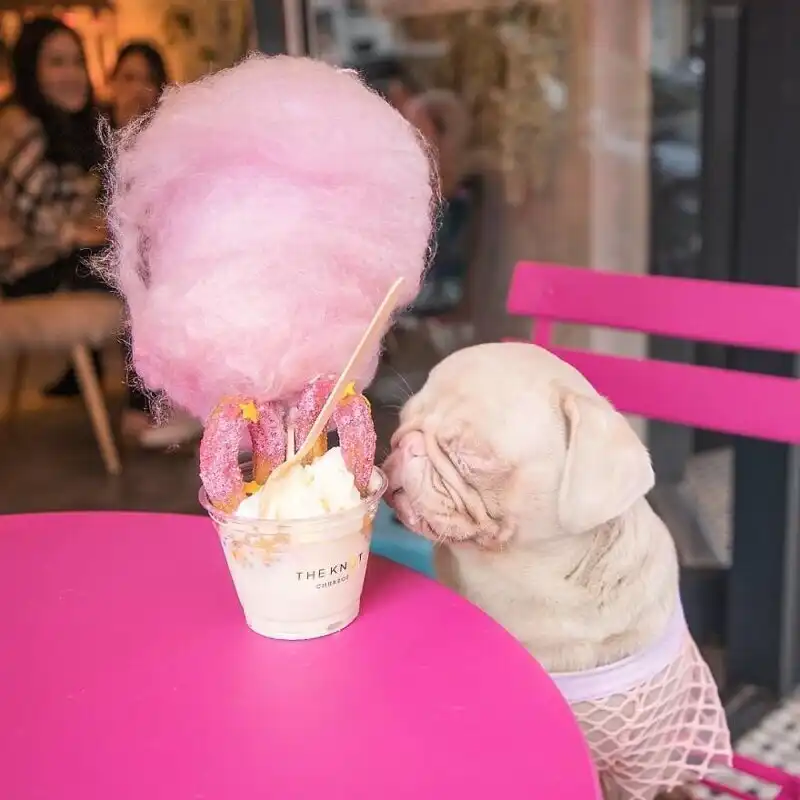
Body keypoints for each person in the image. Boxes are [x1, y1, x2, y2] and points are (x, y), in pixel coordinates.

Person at [106, 40, 201, 448]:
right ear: (111, 82)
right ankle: (147, 404)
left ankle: (181, 399)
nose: (138, 89)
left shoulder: (165, 140)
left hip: (131, 244)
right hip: (91, 253)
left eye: (148, 80)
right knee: (140, 269)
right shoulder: (94, 134)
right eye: (129, 77)